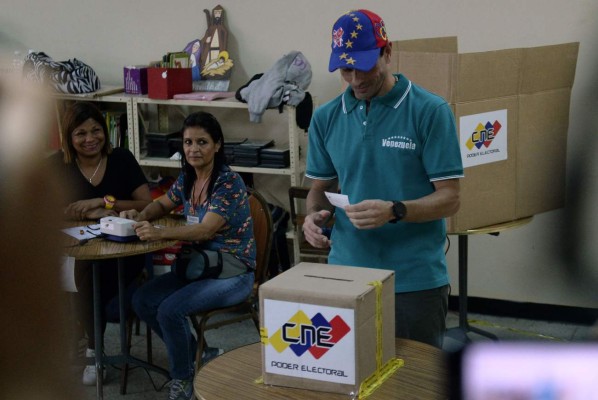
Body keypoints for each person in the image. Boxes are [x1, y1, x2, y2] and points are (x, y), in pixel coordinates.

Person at [302, 9, 464, 349]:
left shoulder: (429, 111)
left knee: (415, 381)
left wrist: (395, 210)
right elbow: (320, 189)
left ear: (387, 53)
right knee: (350, 377)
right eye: (346, 69)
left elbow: (450, 197)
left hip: (413, 280)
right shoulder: (326, 118)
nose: (356, 79)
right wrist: (313, 218)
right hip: (345, 274)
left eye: (365, 67)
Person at [120, 111, 256, 400]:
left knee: (171, 310)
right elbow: (161, 205)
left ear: (217, 145)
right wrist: (140, 215)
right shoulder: (187, 178)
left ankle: (182, 378)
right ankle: (200, 353)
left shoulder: (228, 183)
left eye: (202, 142)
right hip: (199, 266)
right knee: (142, 300)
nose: (194, 149)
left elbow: (206, 230)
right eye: (188, 142)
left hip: (233, 271)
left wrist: (160, 233)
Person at [49, 101, 152, 385]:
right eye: (81, 133)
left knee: (87, 278)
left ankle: (91, 349)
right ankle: (89, 346)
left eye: (96, 130)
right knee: (81, 271)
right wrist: (76, 211)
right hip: (77, 250)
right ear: (69, 138)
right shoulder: (58, 165)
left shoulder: (121, 159)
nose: (90, 139)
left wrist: (105, 202)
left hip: (124, 250)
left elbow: (147, 203)